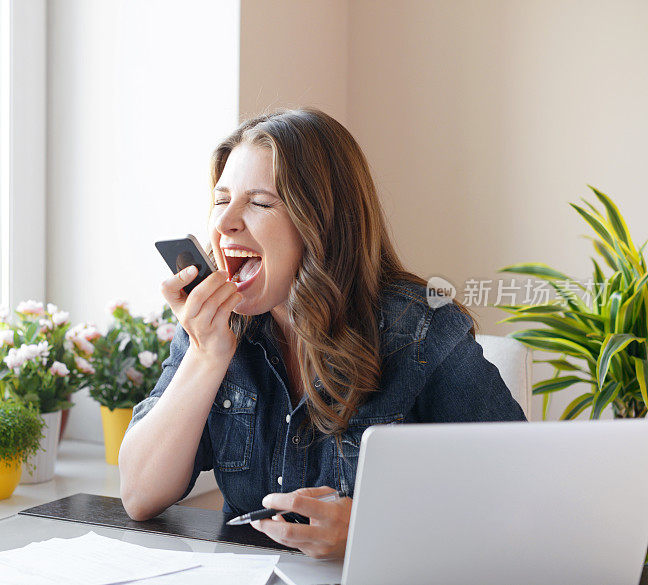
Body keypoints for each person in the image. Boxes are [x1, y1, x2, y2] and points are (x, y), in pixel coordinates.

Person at [118, 108, 526, 559]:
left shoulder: (423, 329)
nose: (225, 223)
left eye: (259, 202)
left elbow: (518, 495)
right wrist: (205, 356)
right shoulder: (212, 328)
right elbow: (139, 495)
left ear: (323, 223)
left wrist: (372, 529)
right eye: (221, 200)